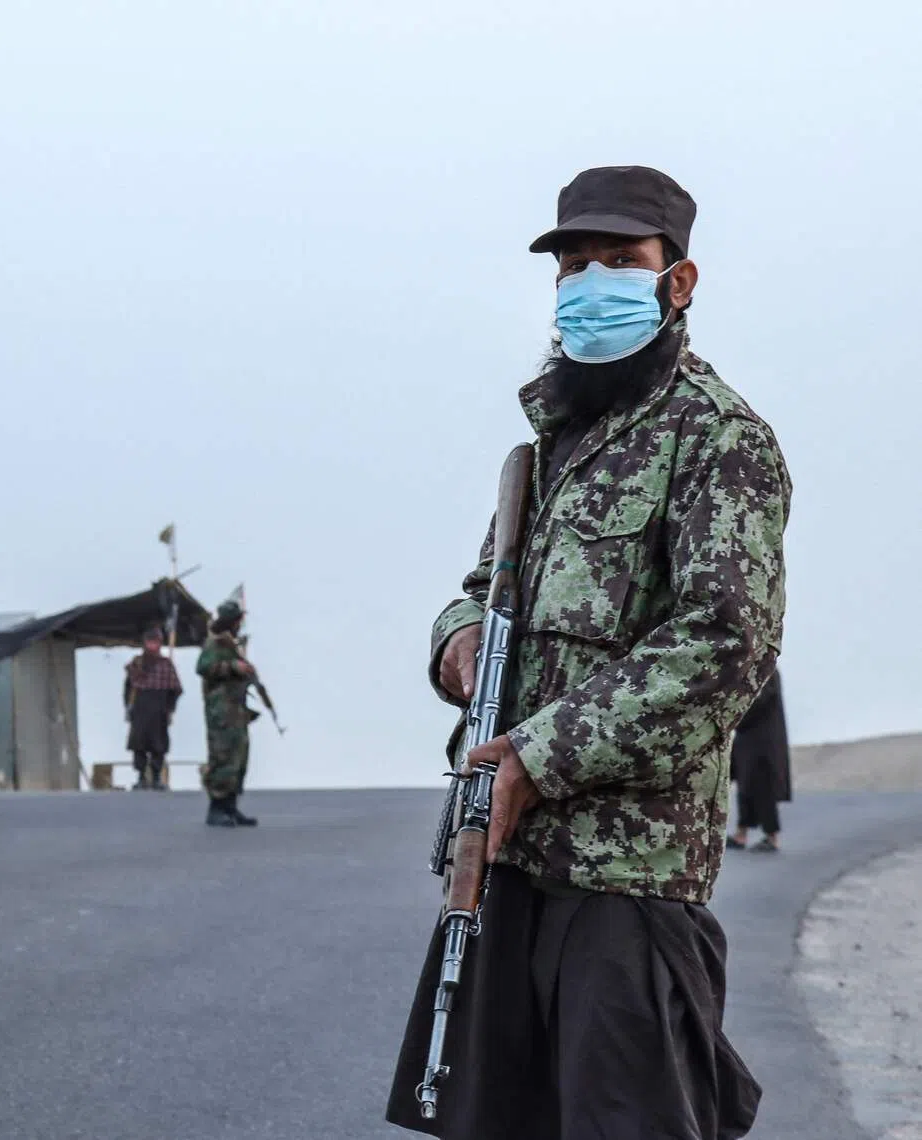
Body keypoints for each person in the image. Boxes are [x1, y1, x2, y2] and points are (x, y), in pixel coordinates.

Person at [386, 166, 791, 1139]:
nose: (591, 281)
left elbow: (723, 644)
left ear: (677, 281)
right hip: (506, 867)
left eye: (620, 260)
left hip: (627, 887)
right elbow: (478, 592)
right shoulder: (553, 446)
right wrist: (459, 643)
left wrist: (540, 755)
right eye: (574, 263)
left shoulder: (718, 440)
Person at [196, 600, 259, 827]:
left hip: (236, 710)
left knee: (238, 757)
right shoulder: (215, 642)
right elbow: (203, 667)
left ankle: (231, 807)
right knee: (222, 757)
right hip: (221, 711)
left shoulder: (231, 643)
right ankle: (217, 808)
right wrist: (232, 667)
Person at [728, 670, 792, 852]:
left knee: (763, 788)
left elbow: (759, 701)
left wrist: (734, 716)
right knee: (745, 785)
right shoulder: (755, 667)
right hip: (749, 738)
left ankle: (772, 837)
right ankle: (741, 834)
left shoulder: (768, 670)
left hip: (763, 741)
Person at [123, 627, 182, 790]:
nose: (152, 645)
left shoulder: (165, 665)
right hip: (140, 709)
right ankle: (141, 777)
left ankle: (156, 777)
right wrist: (129, 707)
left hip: (159, 710)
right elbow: (128, 689)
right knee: (139, 745)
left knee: (159, 745)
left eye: (155, 642)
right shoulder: (136, 664)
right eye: (150, 642)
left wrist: (170, 708)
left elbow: (175, 689)